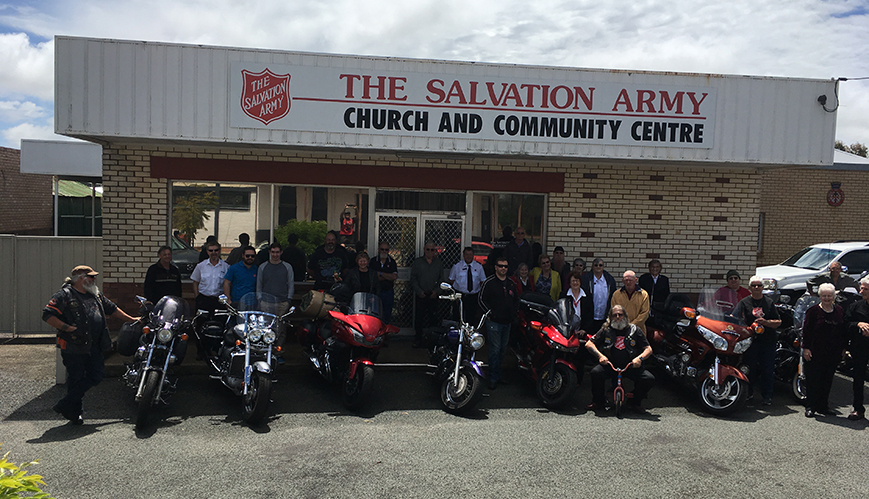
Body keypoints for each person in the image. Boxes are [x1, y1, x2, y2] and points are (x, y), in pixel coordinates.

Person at [43, 265, 139, 424]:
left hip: (94, 345)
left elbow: (113, 309)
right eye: (91, 277)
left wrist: (132, 319)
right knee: (76, 378)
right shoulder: (64, 295)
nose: (94, 279)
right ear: (81, 278)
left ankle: (65, 404)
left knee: (97, 375)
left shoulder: (95, 294)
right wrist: (67, 328)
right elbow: (47, 315)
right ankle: (75, 413)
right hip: (74, 345)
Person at [585, 305, 655, 414]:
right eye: (614, 315)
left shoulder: (635, 330)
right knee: (595, 373)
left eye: (620, 315)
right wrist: (600, 356)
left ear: (625, 316)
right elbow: (589, 343)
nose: (617, 317)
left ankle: (634, 402)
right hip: (610, 365)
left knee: (648, 378)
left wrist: (639, 359)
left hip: (630, 366)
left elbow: (648, 349)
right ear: (610, 317)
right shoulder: (605, 329)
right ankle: (598, 402)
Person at [733, 275, 781, 406]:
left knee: (767, 369)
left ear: (763, 287)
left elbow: (778, 322)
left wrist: (766, 322)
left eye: (759, 285)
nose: (756, 288)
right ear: (749, 288)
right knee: (749, 369)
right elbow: (734, 318)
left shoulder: (769, 302)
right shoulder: (744, 302)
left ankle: (767, 396)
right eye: (753, 285)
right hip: (750, 342)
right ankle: (748, 394)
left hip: (768, 342)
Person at [802, 283, 848, 417]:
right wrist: (806, 348)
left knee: (827, 380)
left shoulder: (839, 310)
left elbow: (843, 332)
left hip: (833, 352)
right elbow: (807, 331)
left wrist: (844, 348)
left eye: (829, 296)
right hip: (815, 351)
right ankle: (810, 406)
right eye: (824, 296)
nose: (827, 298)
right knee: (813, 380)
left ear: (833, 296)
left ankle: (823, 406)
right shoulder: (813, 311)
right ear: (820, 296)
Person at [479, 256, 518, 390]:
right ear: (495, 267)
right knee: (494, 350)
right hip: (494, 323)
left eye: (505, 266)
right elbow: (481, 299)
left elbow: (516, 301)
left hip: (507, 322)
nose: (503, 268)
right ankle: (492, 378)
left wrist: (513, 314)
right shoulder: (489, 283)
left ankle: (498, 375)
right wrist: (490, 313)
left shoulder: (511, 283)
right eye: (500, 266)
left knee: (502, 350)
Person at [257, 242, 294, 358]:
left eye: (277, 252)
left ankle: (278, 352)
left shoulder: (287, 267)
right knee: (266, 328)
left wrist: (288, 300)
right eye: (273, 252)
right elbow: (259, 284)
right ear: (269, 252)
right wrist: (260, 300)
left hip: (282, 302)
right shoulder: (263, 267)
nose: (275, 254)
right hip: (266, 302)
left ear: (281, 253)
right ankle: (266, 352)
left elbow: (290, 284)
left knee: (281, 329)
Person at [410, 241, 444, 347]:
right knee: (419, 318)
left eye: (432, 250)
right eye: (428, 249)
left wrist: (437, 291)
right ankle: (418, 339)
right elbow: (413, 278)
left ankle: (432, 341)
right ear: (424, 249)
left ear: (435, 251)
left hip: (433, 295)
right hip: (421, 294)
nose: (430, 252)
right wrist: (419, 291)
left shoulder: (438, 263)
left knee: (433, 318)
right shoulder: (417, 262)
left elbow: (441, 279)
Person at [844, 277, 869, 421]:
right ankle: (858, 409)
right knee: (858, 378)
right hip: (859, 347)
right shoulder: (856, 306)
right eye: (861, 288)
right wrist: (858, 324)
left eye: (865, 289)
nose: (861, 291)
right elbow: (846, 324)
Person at [448, 246, 486, 323]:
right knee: (457, 317)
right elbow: (451, 279)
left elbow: (483, 281)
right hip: (460, 296)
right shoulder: (457, 266)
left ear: (473, 255)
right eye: (466, 254)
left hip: (473, 297)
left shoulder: (479, 267)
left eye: (470, 254)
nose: (468, 257)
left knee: (471, 319)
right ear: (463, 255)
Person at [191, 240, 229, 312]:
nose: (213, 253)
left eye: (216, 250)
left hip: (219, 300)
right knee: (202, 322)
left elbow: (228, 283)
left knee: (219, 322)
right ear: (207, 252)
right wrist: (197, 297)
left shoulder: (226, 266)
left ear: (219, 251)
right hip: (203, 300)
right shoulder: (201, 266)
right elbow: (195, 282)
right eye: (211, 250)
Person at [581, 258, 617, 335]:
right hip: (590, 318)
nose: (598, 267)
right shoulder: (586, 279)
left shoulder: (609, 280)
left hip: (605, 318)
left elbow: (613, 296)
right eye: (596, 265)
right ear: (592, 267)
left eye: (600, 265)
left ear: (603, 267)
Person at [370, 241, 398, 325]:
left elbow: (394, 277)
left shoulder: (392, 262)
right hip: (375, 293)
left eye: (386, 250)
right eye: (382, 249)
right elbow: (373, 278)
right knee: (374, 314)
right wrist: (387, 276)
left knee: (387, 314)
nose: (384, 251)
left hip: (388, 292)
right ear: (379, 249)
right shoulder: (373, 261)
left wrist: (381, 274)